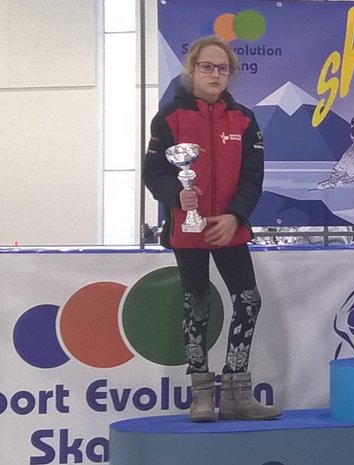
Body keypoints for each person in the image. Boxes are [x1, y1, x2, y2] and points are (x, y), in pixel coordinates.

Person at [142, 35, 280, 422]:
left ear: (230, 73)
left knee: (249, 302)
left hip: (229, 228)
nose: (215, 74)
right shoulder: (169, 117)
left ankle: (236, 392)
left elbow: (253, 177)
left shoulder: (244, 119)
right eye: (207, 67)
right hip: (187, 229)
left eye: (222, 68)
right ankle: (200, 395)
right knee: (197, 305)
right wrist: (176, 195)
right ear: (192, 70)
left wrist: (236, 215)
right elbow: (154, 173)